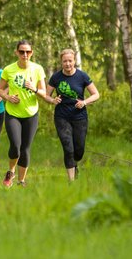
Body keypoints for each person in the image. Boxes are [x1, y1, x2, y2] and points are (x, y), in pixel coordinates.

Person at [0, 40, 51, 188]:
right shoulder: (8, 69)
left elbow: (44, 93)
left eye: (28, 52)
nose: (25, 54)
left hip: (31, 114)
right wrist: (7, 97)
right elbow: (0, 89)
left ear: (32, 53)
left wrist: (34, 88)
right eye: (21, 51)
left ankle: (21, 181)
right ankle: (11, 171)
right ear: (16, 52)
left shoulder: (37, 69)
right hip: (12, 113)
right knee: (15, 145)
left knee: (25, 149)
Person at [48, 49, 100, 181]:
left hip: (80, 118)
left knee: (79, 150)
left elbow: (96, 94)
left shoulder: (82, 76)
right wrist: (53, 100)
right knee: (68, 147)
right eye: (64, 61)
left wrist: (84, 102)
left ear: (74, 61)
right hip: (62, 117)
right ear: (61, 62)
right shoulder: (56, 77)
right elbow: (46, 95)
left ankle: (75, 165)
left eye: (70, 61)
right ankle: (71, 181)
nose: (67, 64)